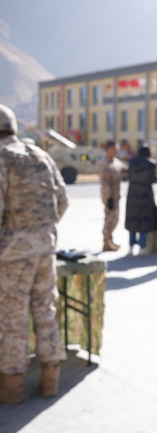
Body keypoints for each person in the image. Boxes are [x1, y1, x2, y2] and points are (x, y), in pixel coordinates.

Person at [0, 104, 69, 403]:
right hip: (45, 247)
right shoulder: (40, 155)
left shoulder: (1, 158)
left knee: (13, 319)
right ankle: (50, 379)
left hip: (13, 254)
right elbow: (63, 200)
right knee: (46, 311)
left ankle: (13, 388)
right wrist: (42, 231)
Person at [125, 145, 157, 256]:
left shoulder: (131, 162)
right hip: (146, 194)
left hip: (132, 194)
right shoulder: (151, 164)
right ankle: (142, 248)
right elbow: (154, 179)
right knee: (144, 221)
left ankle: (130, 248)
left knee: (132, 221)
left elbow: (129, 176)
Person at [98, 140, 126, 251]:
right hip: (109, 196)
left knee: (115, 218)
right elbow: (104, 183)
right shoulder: (104, 164)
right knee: (109, 218)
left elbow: (125, 169)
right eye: (114, 149)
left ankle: (110, 239)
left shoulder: (116, 162)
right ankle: (105, 241)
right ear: (108, 150)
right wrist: (108, 198)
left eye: (117, 149)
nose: (116, 151)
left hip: (116, 195)